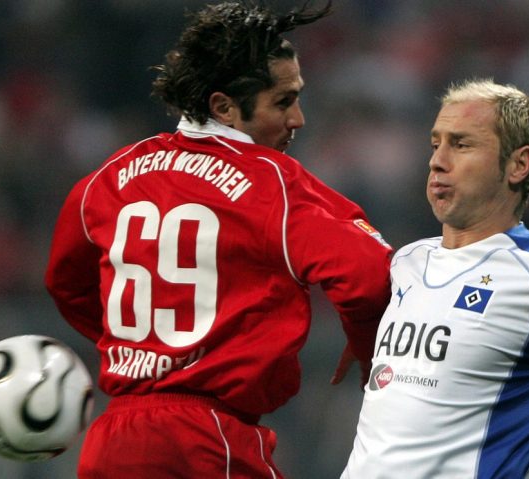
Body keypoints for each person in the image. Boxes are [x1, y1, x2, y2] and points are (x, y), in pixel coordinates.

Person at [44, 2, 393, 478]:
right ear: (223, 107)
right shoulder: (273, 183)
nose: (298, 119)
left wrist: (149, 352)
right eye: (283, 102)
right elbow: (369, 275)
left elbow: (66, 283)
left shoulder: (108, 178)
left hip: (112, 442)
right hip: (206, 443)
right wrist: (368, 340)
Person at [341, 78, 529, 478]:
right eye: (435, 144)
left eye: (461, 144)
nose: (437, 161)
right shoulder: (405, 263)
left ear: (518, 164)